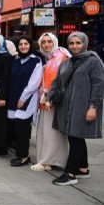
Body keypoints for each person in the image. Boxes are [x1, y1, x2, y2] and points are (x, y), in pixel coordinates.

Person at [47, 32, 104, 185]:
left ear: (85, 43)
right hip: (66, 106)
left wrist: (93, 107)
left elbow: (98, 85)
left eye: (78, 43)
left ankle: (70, 174)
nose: (75, 46)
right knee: (75, 136)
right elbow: (57, 82)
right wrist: (49, 97)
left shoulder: (93, 61)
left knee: (76, 137)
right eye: (72, 43)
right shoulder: (67, 62)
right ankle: (83, 168)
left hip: (82, 106)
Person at [31, 33, 69, 171]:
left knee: (51, 132)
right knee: (46, 130)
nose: (46, 45)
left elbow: (58, 81)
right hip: (46, 100)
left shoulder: (60, 57)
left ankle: (48, 160)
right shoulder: (50, 58)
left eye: (49, 42)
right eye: (43, 42)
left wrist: (49, 97)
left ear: (54, 42)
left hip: (52, 101)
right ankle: (48, 159)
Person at [7, 36, 43, 167]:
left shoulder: (36, 61)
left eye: (26, 44)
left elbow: (34, 83)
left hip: (26, 99)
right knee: (16, 128)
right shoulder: (16, 61)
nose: (23, 46)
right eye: (21, 44)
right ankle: (20, 153)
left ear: (30, 45)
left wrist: (23, 98)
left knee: (23, 128)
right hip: (13, 98)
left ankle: (24, 156)